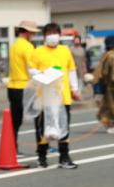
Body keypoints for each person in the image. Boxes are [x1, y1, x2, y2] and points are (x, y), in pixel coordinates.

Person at [29, 23, 80, 169]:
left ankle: (64, 157)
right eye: (49, 33)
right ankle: (41, 157)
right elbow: (31, 70)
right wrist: (42, 74)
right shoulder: (37, 51)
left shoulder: (65, 50)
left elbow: (71, 70)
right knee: (43, 127)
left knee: (63, 126)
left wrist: (75, 89)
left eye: (55, 33)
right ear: (45, 36)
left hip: (63, 96)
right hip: (43, 97)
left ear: (59, 35)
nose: (53, 36)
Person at [6, 20, 40, 144]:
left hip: (12, 86)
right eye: (33, 33)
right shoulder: (27, 46)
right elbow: (32, 69)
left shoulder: (14, 45)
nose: (33, 35)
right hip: (25, 86)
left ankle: (12, 147)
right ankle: (42, 145)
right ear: (27, 32)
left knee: (15, 120)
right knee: (38, 116)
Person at [93, 35, 114, 134]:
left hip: (105, 83)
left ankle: (113, 125)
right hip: (112, 85)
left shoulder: (105, 55)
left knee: (108, 106)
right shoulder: (112, 56)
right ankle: (112, 126)